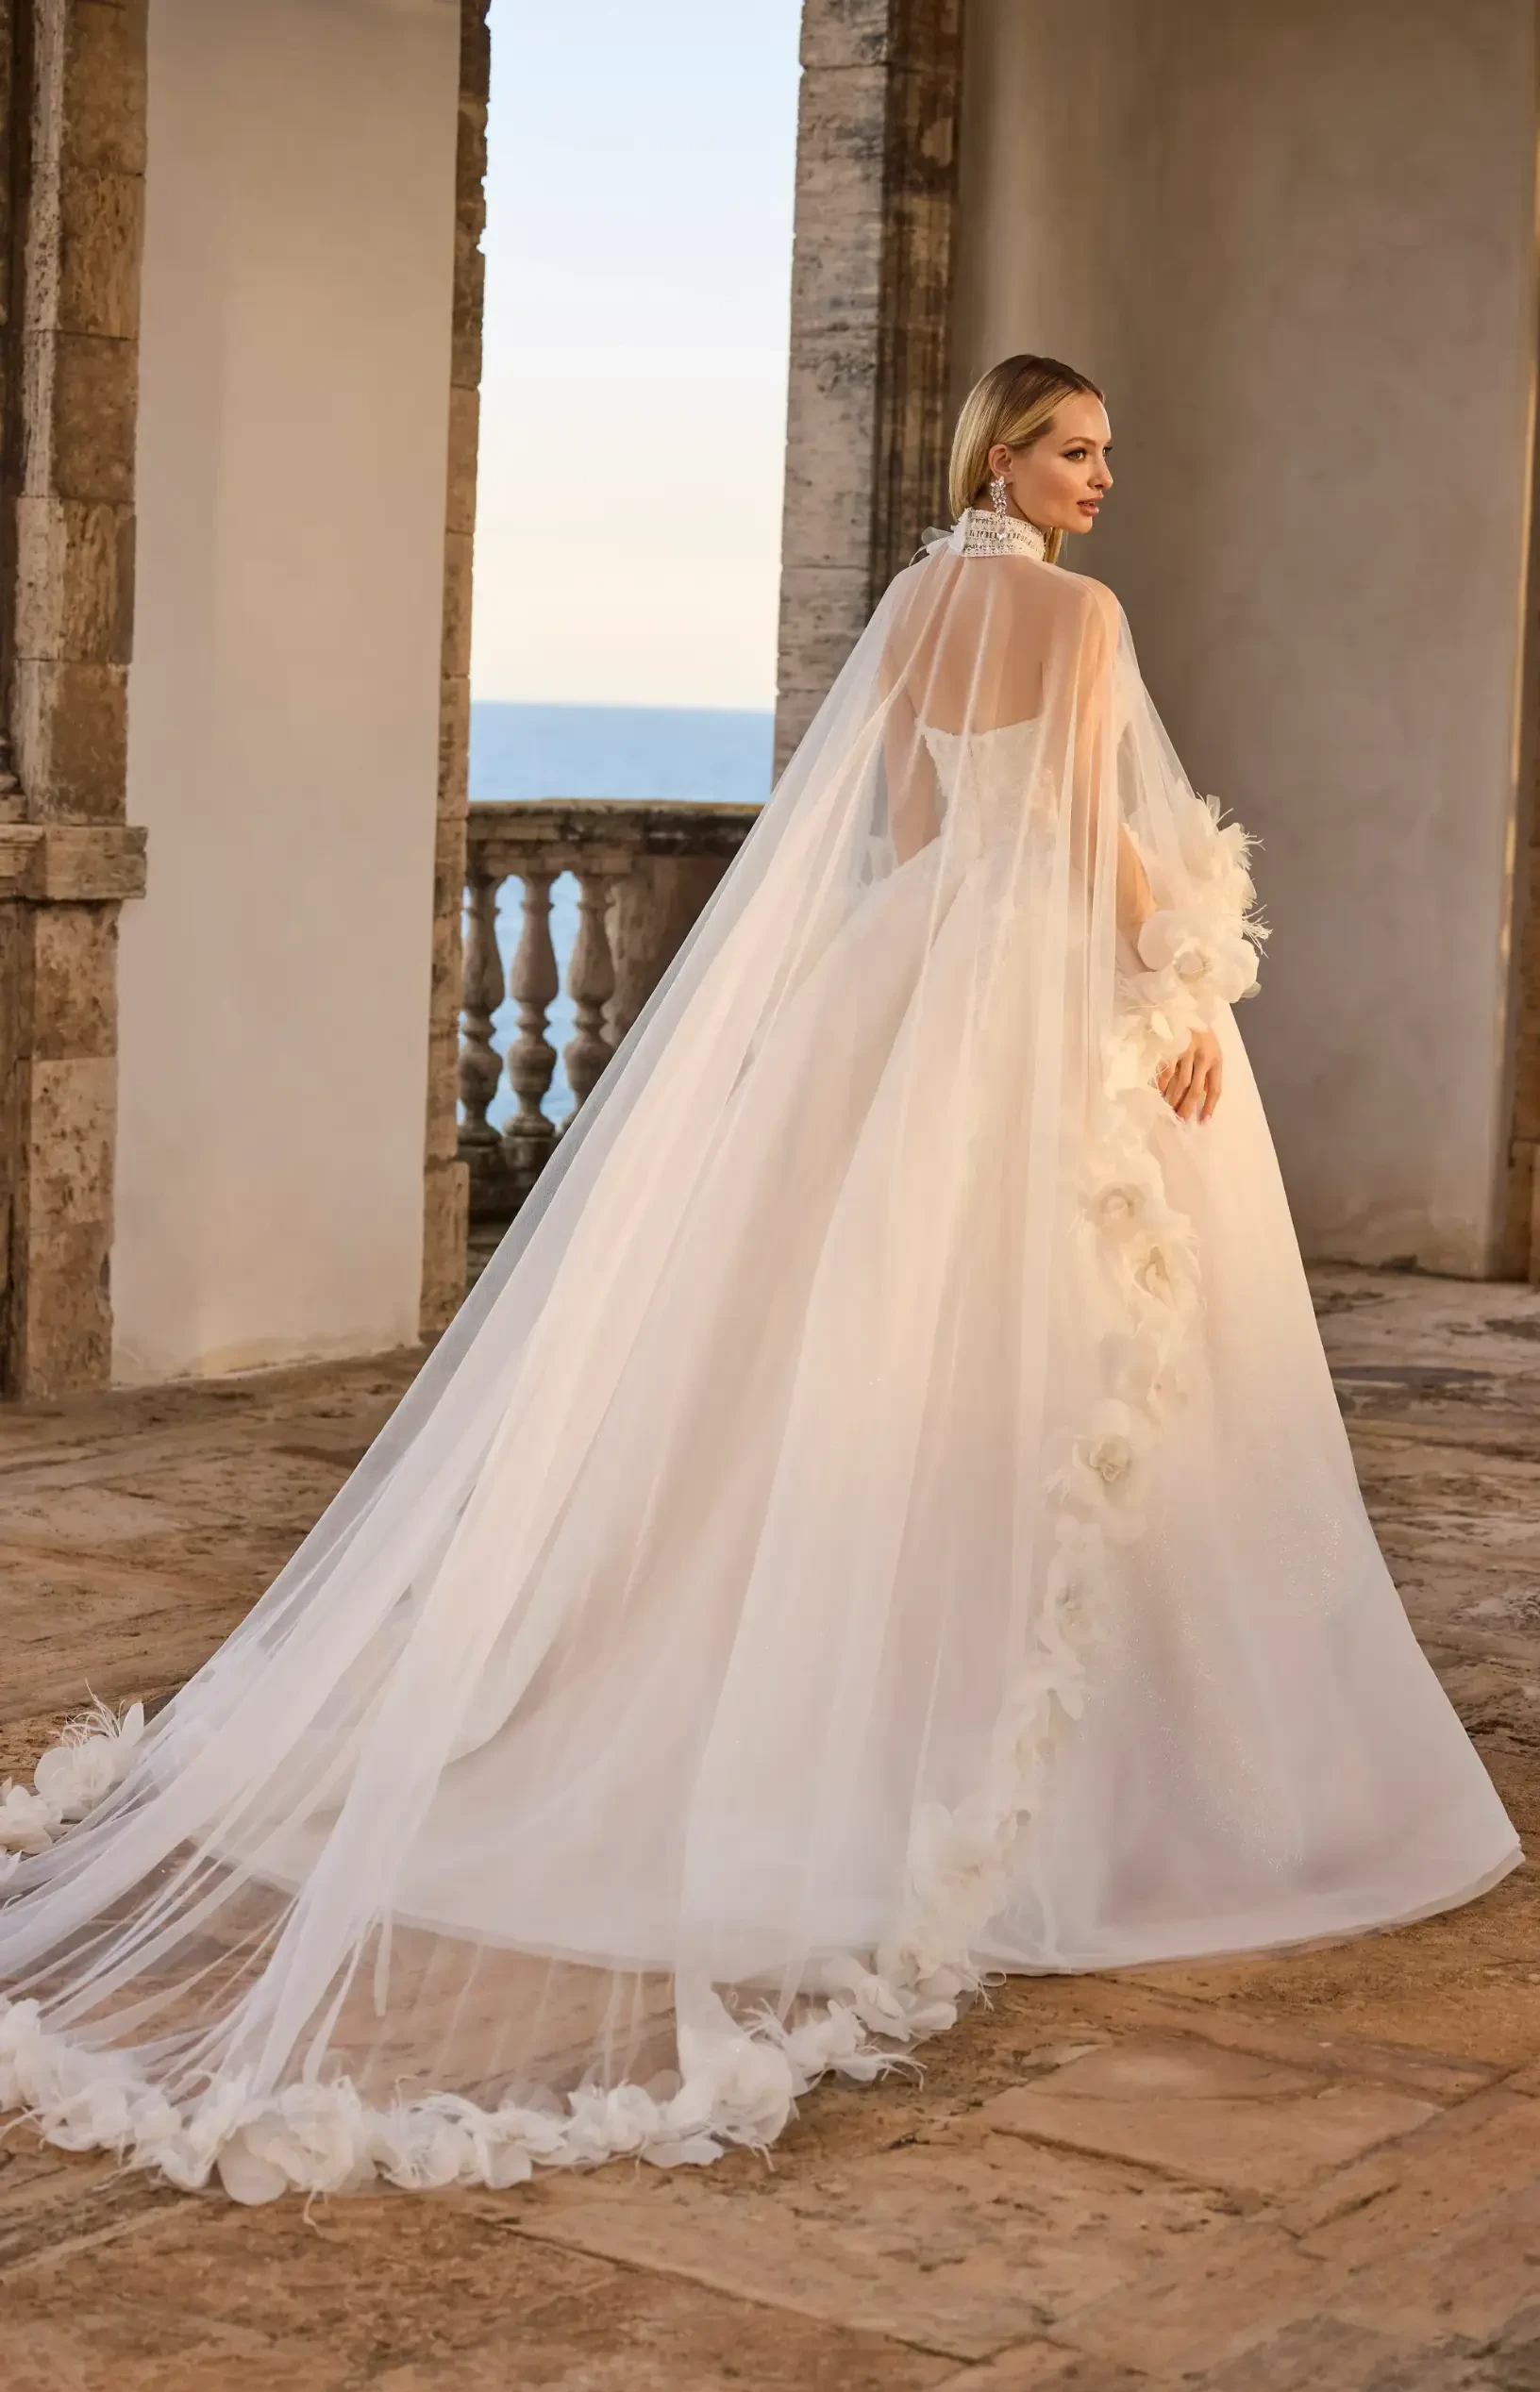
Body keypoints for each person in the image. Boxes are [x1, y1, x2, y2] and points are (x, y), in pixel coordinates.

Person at [0, 355, 1518, 2203]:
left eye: (1108, 451)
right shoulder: (1077, 615)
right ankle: (1024, 1750)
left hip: (906, 976)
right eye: (1073, 448)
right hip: (1024, 979)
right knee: (1051, 1353)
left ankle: (804, 1683)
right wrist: (1186, 975)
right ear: (1005, 459)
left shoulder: (906, 608)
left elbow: (905, 824)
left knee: (840, 1334)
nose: (1101, 476)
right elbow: (1091, 834)